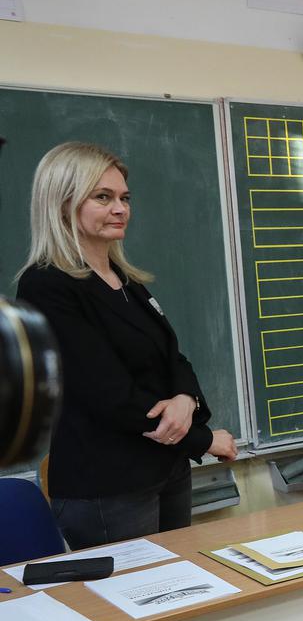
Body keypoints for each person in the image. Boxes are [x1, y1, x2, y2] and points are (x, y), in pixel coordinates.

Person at [15, 142, 238, 549]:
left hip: (165, 469)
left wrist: (186, 399)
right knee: (139, 605)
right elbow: (107, 394)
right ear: (63, 203)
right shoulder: (46, 286)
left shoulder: (124, 279)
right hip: (107, 484)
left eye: (124, 198)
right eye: (103, 197)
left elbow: (173, 356)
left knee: (185, 592)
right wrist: (204, 441)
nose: (121, 209)